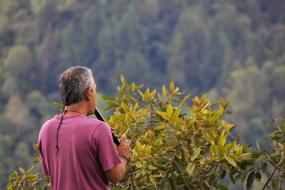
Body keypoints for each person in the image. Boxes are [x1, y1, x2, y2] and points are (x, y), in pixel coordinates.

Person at [38, 66, 131, 190]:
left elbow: (51, 172)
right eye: (95, 91)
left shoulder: (46, 129)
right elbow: (115, 176)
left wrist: (106, 145)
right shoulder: (99, 129)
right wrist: (123, 155)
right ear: (89, 93)